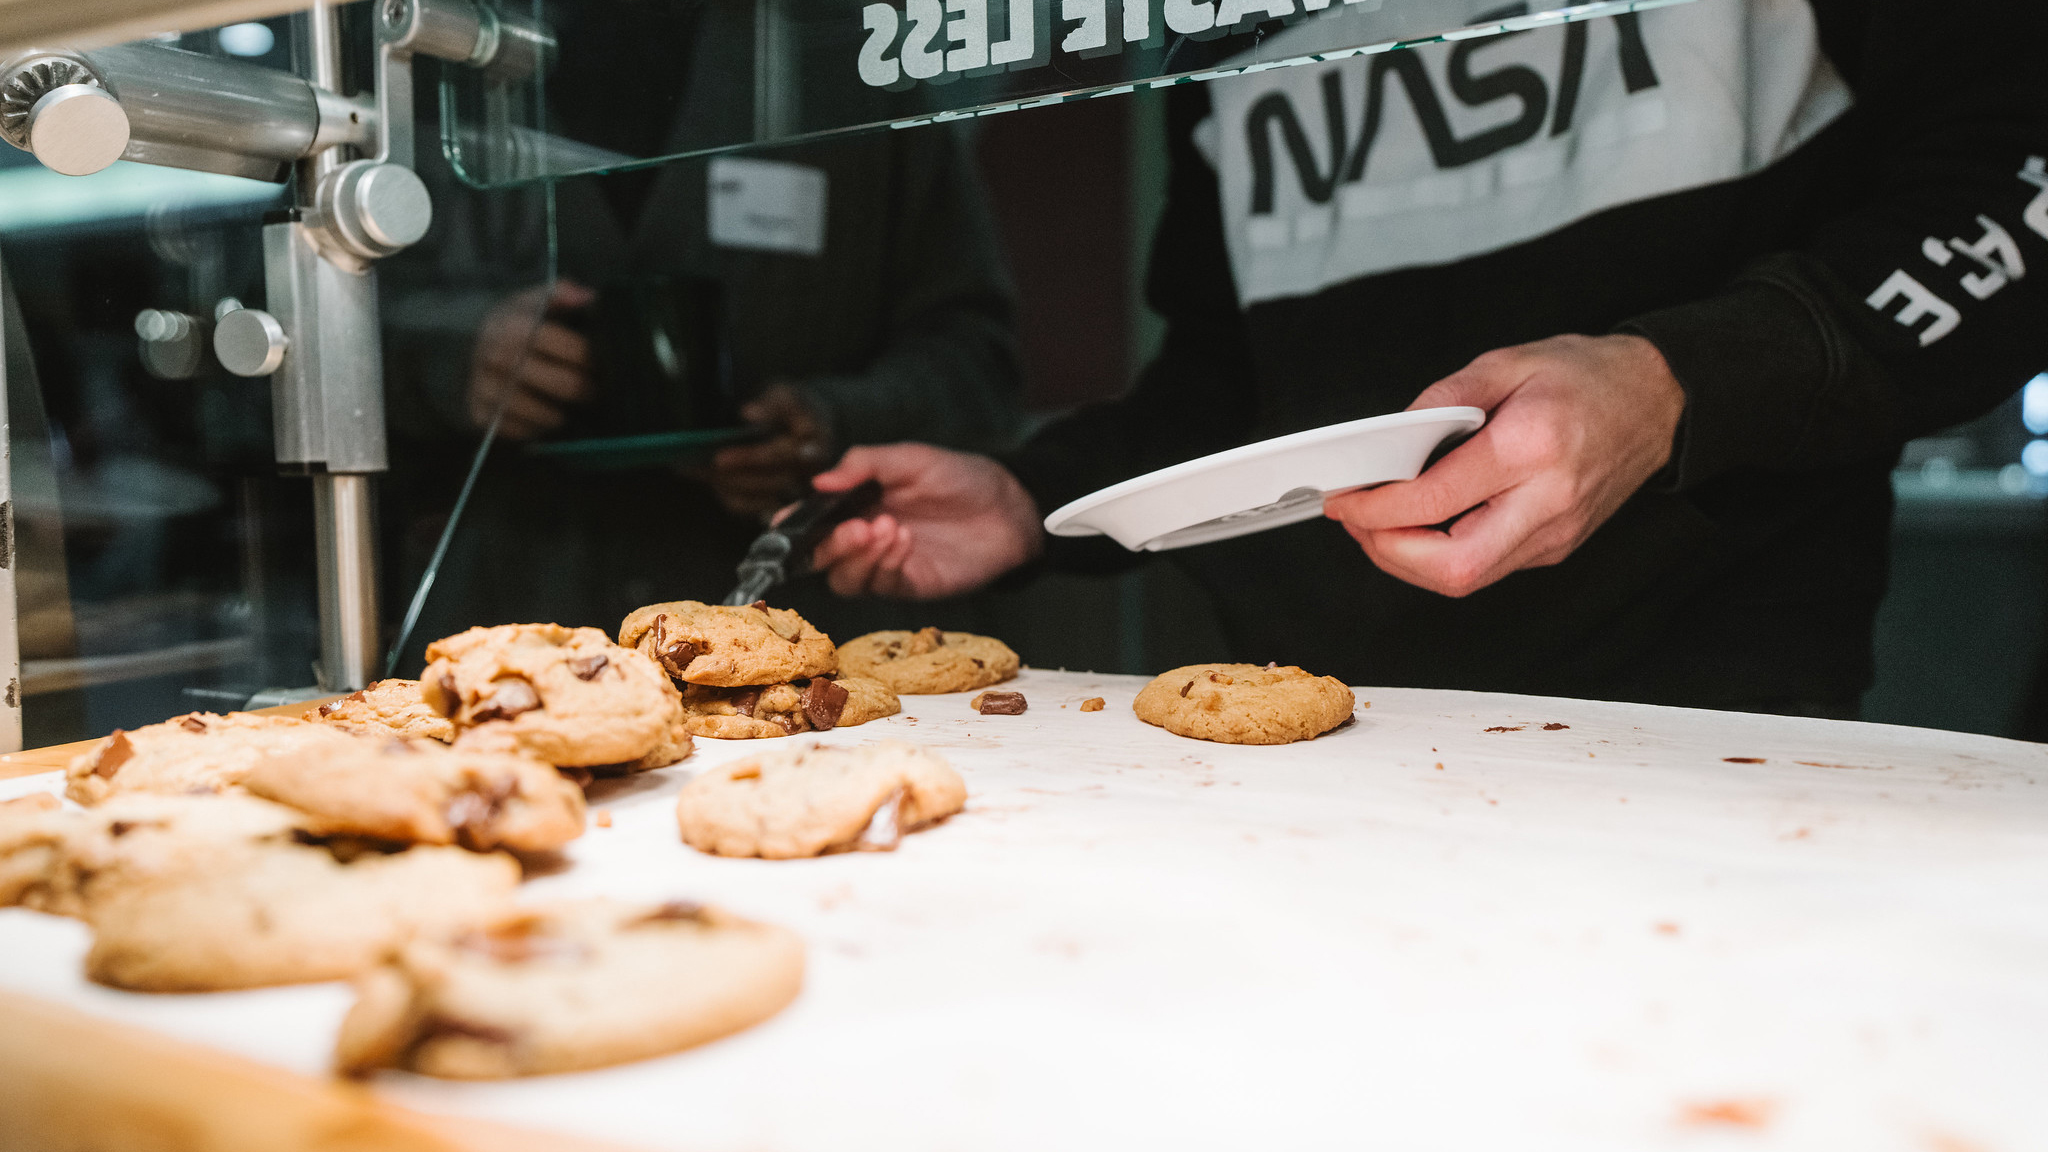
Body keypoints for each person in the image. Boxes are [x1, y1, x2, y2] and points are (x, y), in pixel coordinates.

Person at [806, 0, 2048, 715]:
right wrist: (1035, 499)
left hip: (1704, 716)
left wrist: (1672, 382)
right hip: (1330, 727)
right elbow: (1231, 385)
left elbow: (2013, 187)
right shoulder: (1233, 25)